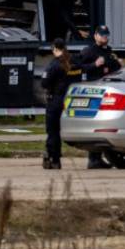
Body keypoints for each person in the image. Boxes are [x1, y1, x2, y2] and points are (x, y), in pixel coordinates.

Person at [78, 25, 122, 169]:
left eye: (106, 35)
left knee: (104, 126)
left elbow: (113, 67)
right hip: (94, 91)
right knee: (95, 125)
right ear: (96, 35)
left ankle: (99, 158)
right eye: (102, 35)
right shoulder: (89, 51)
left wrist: (118, 64)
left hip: (107, 91)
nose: (105, 37)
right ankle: (93, 159)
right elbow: (78, 67)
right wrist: (94, 64)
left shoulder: (109, 51)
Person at [41, 39, 82, 170]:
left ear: (54, 49)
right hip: (72, 100)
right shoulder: (75, 62)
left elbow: (44, 83)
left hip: (56, 101)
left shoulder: (54, 65)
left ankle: (54, 159)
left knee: (53, 131)